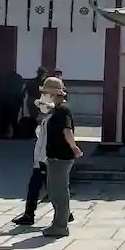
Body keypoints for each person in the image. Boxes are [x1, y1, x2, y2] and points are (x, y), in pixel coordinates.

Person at [41, 76, 82, 237]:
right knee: (55, 191)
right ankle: (59, 222)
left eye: (46, 93)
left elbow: (67, 131)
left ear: (53, 94)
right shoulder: (56, 110)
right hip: (55, 156)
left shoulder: (62, 111)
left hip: (60, 157)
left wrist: (74, 147)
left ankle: (60, 225)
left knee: (58, 192)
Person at [12, 91, 54, 226]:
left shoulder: (49, 122)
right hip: (41, 160)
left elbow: (46, 143)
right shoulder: (44, 122)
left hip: (44, 160)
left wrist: (42, 160)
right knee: (48, 188)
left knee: (38, 188)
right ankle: (65, 213)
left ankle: (29, 215)